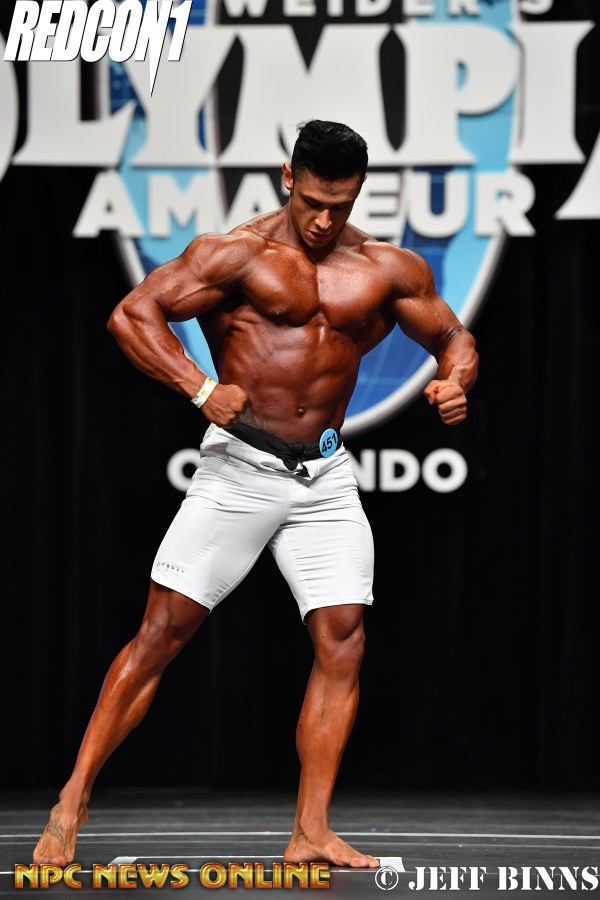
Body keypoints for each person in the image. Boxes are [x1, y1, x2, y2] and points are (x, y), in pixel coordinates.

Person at [33, 120, 478, 869]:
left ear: (359, 193)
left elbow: (453, 337)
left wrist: (455, 380)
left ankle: (310, 832)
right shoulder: (235, 255)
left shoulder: (384, 267)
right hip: (240, 467)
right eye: (312, 202)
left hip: (325, 477)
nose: (323, 220)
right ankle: (71, 800)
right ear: (287, 178)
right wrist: (198, 386)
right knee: (161, 634)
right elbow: (131, 313)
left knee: (343, 641)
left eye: (339, 205)